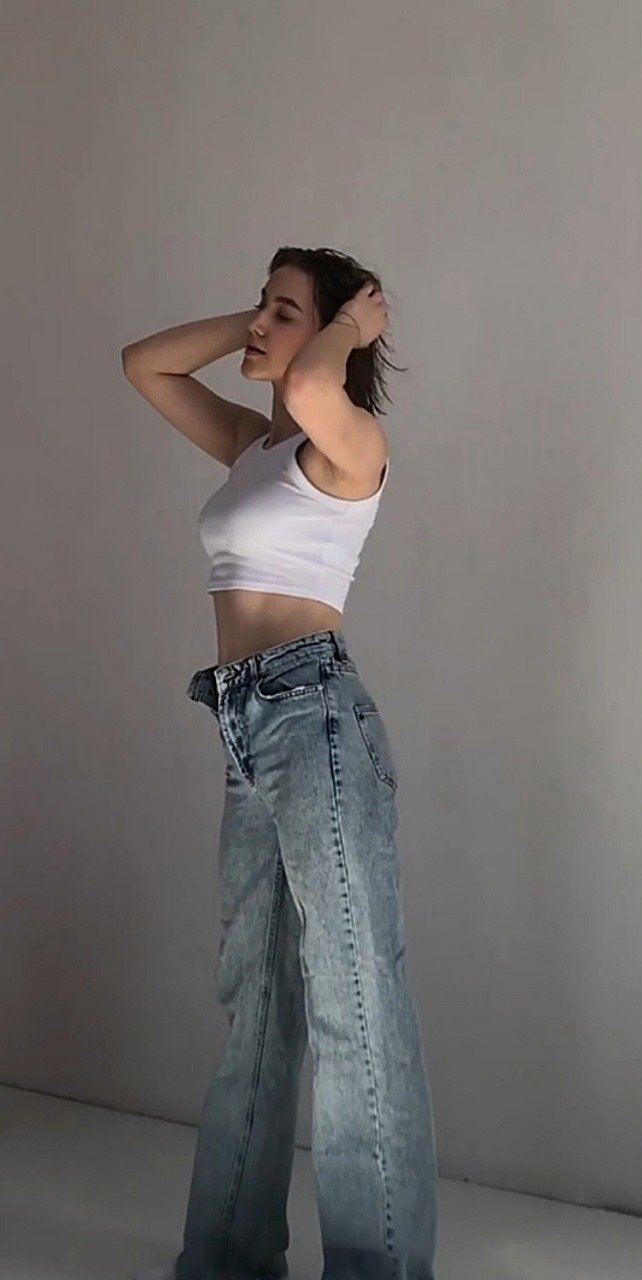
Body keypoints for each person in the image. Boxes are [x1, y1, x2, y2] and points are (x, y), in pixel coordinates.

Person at [122, 246, 438, 1280]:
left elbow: (309, 385)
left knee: (353, 1007)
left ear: (339, 336)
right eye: (264, 303)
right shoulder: (255, 446)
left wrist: (344, 326)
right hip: (244, 721)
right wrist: (260, 320)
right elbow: (144, 364)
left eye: (284, 309)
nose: (262, 324)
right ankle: (226, 1259)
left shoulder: (350, 444)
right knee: (253, 1006)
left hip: (317, 722)